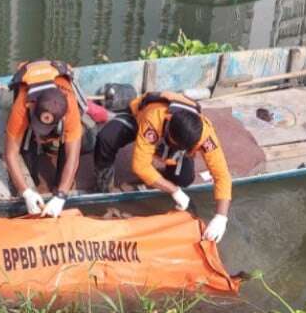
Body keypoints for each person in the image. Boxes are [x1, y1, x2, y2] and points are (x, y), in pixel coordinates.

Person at [92, 92, 232, 243]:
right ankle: (104, 181)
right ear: (168, 123)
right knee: (107, 137)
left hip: (177, 141)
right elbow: (139, 166)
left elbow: (222, 175)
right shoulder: (155, 117)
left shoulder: (205, 134)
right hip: (139, 118)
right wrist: (174, 190)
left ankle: (160, 178)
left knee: (184, 178)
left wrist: (221, 217)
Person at [3, 60, 85, 219]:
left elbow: (72, 157)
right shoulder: (22, 105)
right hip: (31, 82)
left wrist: (61, 196)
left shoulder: (71, 109)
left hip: (61, 104)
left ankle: (59, 186)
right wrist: (25, 191)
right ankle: (32, 180)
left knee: (71, 146)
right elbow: (10, 154)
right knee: (26, 148)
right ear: (32, 106)